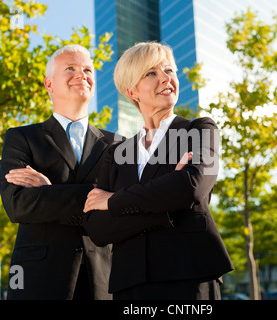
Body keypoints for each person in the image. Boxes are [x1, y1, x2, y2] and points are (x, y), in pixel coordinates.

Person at [82, 41, 234, 300]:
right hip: (130, 283)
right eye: (151, 73)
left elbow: (191, 187)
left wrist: (114, 201)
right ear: (133, 91)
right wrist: (166, 202)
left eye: (169, 71)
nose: (166, 79)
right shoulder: (116, 153)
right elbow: (97, 228)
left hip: (189, 275)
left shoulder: (199, 130)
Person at [0, 44, 122, 300]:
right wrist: (100, 197)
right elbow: (18, 204)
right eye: (70, 68)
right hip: (38, 277)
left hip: (104, 278)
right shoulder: (21, 137)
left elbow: (124, 206)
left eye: (87, 69)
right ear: (49, 84)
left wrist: (50, 192)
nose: (81, 75)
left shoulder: (119, 144)